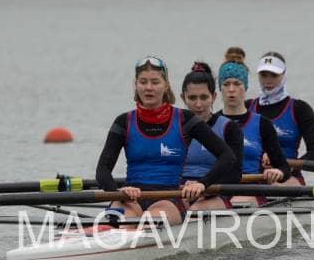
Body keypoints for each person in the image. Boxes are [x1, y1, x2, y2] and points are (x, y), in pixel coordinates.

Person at [95, 56, 236, 225]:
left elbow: (227, 157)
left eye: (155, 82)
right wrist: (118, 192)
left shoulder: (185, 120)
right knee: (122, 222)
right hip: (130, 198)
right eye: (143, 82)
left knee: (147, 222)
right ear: (135, 85)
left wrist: (202, 184)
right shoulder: (123, 122)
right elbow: (102, 171)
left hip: (169, 199)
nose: (149, 88)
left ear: (166, 85)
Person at [216, 47, 290, 206]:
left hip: (251, 189)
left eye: (237, 84)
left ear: (245, 87)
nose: (231, 90)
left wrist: (277, 172)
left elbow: (284, 167)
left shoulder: (263, 123)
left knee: (235, 202)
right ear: (220, 88)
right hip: (217, 190)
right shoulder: (211, 122)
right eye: (226, 84)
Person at [247, 51, 314, 185]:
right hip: (252, 176)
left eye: (274, 75)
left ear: (284, 75)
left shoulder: (300, 109)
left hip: (288, 177)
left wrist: (283, 166)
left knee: (274, 186)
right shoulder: (246, 107)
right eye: (264, 75)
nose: (268, 80)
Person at [180, 61, 244, 211]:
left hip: (214, 191)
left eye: (204, 97)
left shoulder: (229, 128)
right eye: (192, 98)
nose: (198, 105)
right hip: (180, 190)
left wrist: (203, 185)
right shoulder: (173, 126)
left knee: (194, 212)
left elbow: (235, 175)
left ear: (214, 97)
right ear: (183, 98)